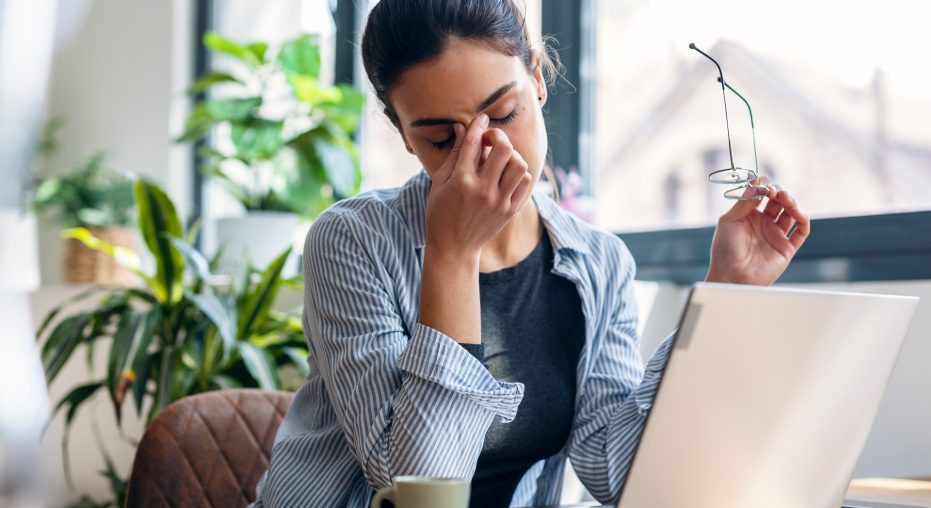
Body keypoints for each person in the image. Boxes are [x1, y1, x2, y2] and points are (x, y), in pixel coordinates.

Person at [253, 0, 810, 506]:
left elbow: (616, 471)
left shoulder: (600, 263)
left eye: (503, 115)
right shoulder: (352, 242)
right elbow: (418, 488)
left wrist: (723, 293)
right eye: (443, 140)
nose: (485, 150)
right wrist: (452, 255)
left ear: (538, 79)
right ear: (403, 135)